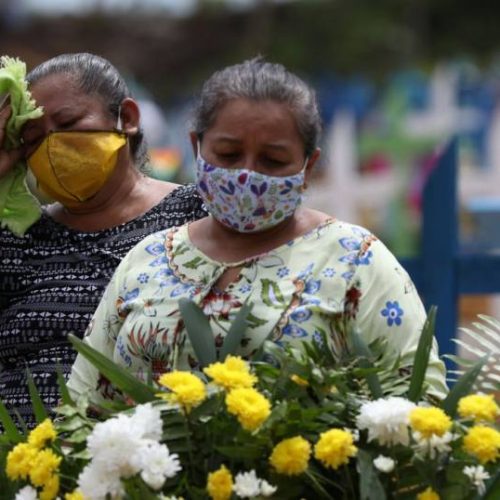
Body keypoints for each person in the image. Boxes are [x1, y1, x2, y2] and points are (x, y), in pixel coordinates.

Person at [68, 58, 447, 403]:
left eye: (273, 159)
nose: (247, 174)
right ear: (196, 147)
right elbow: (85, 405)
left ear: (308, 165)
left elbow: (417, 402)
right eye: (229, 155)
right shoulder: (147, 260)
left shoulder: (354, 259)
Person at [0, 53, 206, 427]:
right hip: (17, 470)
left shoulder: (195, 218)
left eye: (68, 123)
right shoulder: (18, 240)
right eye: (32, 139)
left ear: (126, 118)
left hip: (143, 464)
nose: (52, 144)